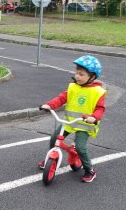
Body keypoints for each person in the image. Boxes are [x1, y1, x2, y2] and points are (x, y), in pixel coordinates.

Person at [39, 55, 106, 183]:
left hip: (85, 124)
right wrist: (49, 105)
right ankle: (49, 159)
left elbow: (100, 109)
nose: (77, 76)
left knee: (80, 147)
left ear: (92, 77)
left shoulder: (98, 91)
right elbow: (61, 98)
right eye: (77, 73)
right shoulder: (72, 87)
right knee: (54, 138)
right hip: (69, 122)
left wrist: (94, 117)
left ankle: (89, 170)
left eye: (81, 74)